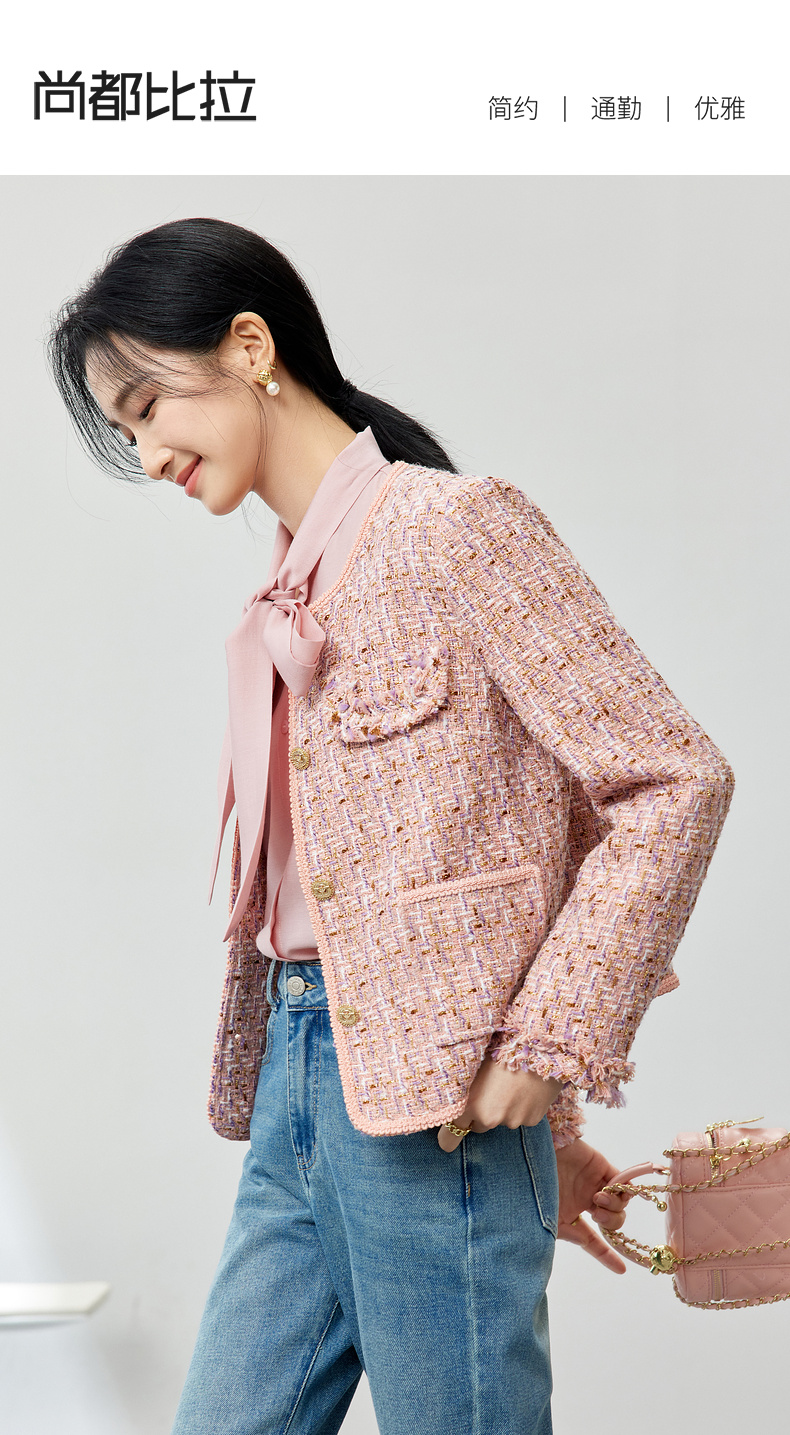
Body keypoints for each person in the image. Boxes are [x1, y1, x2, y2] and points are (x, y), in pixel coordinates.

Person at [48, 217, 734, 1435]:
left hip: (436, 1125)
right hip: (296, 1085)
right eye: (125, 430)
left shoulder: (455, 528)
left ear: (249, 346)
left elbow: (672, 777)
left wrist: (547, 1052)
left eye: (148, 407)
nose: (146, 454)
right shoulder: (288, 585)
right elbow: (456, 864)